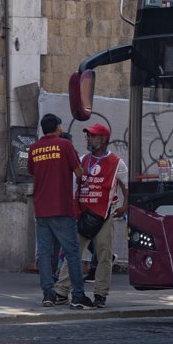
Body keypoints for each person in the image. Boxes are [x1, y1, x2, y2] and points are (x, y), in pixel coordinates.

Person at [54, 123, 128, 307]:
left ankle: (100, 293)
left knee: (104, 254)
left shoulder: (117, 163)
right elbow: (74, 187)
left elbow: (127, 187)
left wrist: (125, 207)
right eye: (88, 136)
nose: (88, 139)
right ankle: (61, 291)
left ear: (103, 139)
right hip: (83, 214)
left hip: (104, 215)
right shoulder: (83, 160)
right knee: (73, 253)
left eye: (92, 136)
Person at [27, 114, 91, 308]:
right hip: (61, 207)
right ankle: (78, 295)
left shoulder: (34, 148)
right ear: (57, 127)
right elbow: (78, 172)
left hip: (41, 208)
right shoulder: (64, 145)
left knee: (45, 254)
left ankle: (48, 295)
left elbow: (32, 171)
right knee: (72, 252)